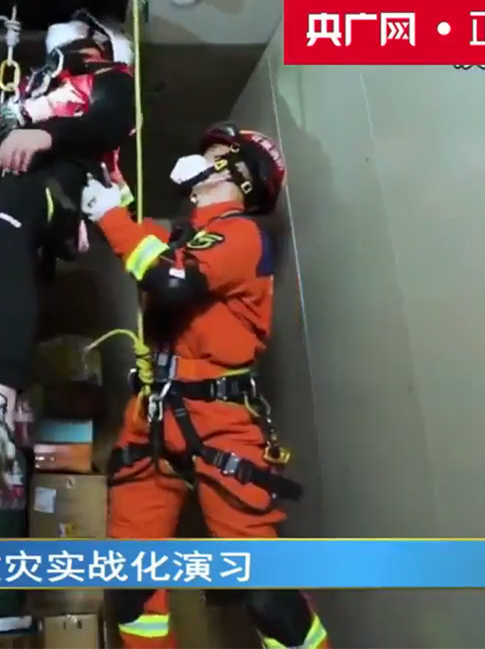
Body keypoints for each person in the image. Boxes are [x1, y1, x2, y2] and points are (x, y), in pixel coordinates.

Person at [78, 123, 330, 649]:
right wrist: (114, 202)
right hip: (151, 420)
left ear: (240, 173)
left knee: (267, 595)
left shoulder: (241, 235)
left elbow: (173, 281)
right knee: (131, 587)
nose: (198, 161)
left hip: (220, 421)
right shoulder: (183, 237)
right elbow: (147, 250)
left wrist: (111, 217)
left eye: (213, 153)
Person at [0, 0, 138, 489]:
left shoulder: (107, 77)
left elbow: (112, 121)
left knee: (5, 229)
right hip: (3, 193)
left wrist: (48, 137)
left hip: (55, 183)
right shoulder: (25, 86)